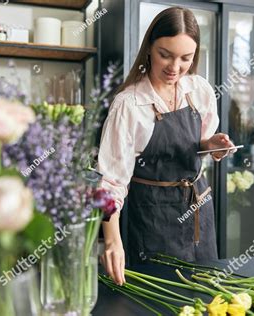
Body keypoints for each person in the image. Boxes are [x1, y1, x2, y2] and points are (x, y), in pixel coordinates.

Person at [97, 6, 236, 286]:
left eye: (186, 58)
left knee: (206, 294)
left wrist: (213, 145)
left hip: (199, 211)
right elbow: (110, 183)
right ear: (149, 48)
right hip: (153, 217)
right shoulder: (129, 104)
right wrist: (112, 241)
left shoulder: (200, 90)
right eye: (165, 55)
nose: (175, 67)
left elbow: (199, 144)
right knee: (161, 297)